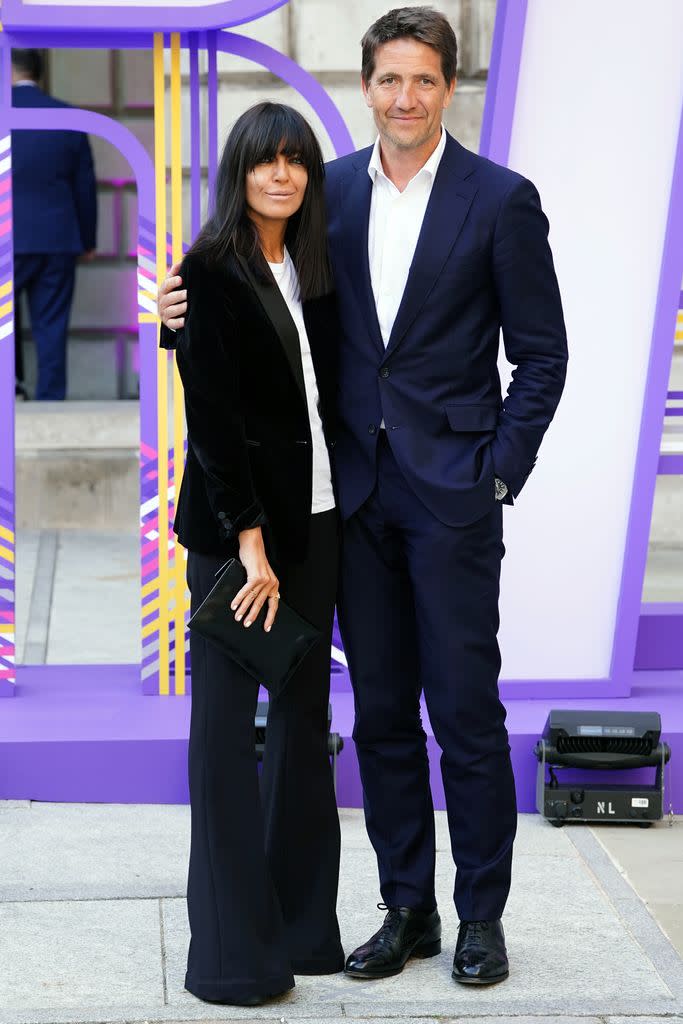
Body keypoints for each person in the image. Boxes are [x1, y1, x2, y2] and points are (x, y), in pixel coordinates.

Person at [159, 6, 568, 989]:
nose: (404, 97)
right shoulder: (323, 191)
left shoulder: (499, 200)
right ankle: (406, 908)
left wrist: (496, 472)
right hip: (349, 508)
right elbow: (254, 304)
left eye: (423, 80)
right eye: (387, 80)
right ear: (365, 85)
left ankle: (479, 916)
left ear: (447, 87)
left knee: (464, 712)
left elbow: (542, 357)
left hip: (452, 501)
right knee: (379, 712)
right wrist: (179, 316)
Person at [158, 102, 344, 1006]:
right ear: (238, 171)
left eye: (296, 162)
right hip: (242, 546)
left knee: (305, 733)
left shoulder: (315, 266)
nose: (281, 176)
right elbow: (215, 427)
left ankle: (305, 931)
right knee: (226, 739)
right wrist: (249, 540)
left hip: (319, 527)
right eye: (265, 162)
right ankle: (233, 955)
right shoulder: (206, 272)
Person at [11, 48, 97, 400]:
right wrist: (87, 239)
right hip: (58, 237)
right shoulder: (69, 117)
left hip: (6, 239)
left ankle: (10, 394)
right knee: (52, 327)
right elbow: (85, 187)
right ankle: (51, 406)